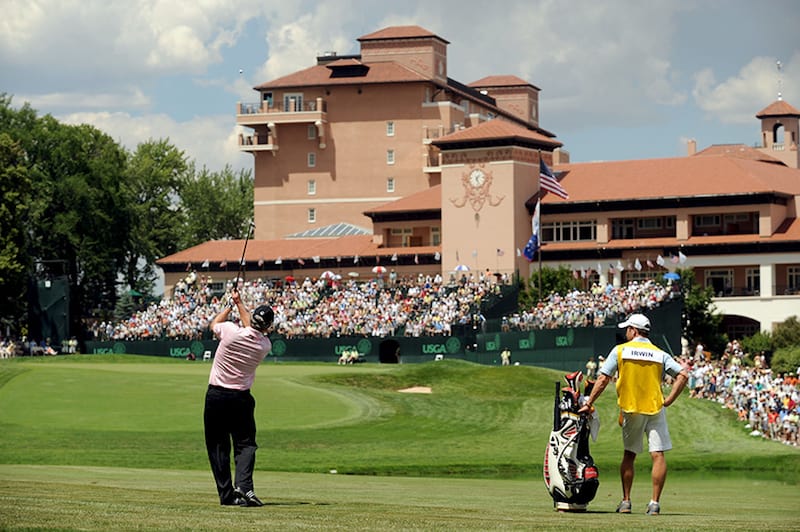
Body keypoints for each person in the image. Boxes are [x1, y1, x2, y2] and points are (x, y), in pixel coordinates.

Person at [578, 313, 688, 516]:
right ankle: (654, 504)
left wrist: (589, 402)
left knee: (630, 454)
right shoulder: (659, 353)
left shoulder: (620, 351)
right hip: (656, 408)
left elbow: (602, 379)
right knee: (658, 454)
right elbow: (683, 375)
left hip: (631, 408)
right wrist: (669, 400)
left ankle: (626, 502)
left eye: (627, 329)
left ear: (634, 330)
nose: (626, 332)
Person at [204, 289, 274, 507]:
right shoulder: (264, 346)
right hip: (241, 398)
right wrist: (239, 303)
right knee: (245, 444)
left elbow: (214, 324)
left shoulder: (230, 332)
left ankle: (226, 495)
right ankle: (244, 486)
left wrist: (228, 307)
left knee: (218, 447)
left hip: (216, 395)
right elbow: (252, 329)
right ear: (268, 327)